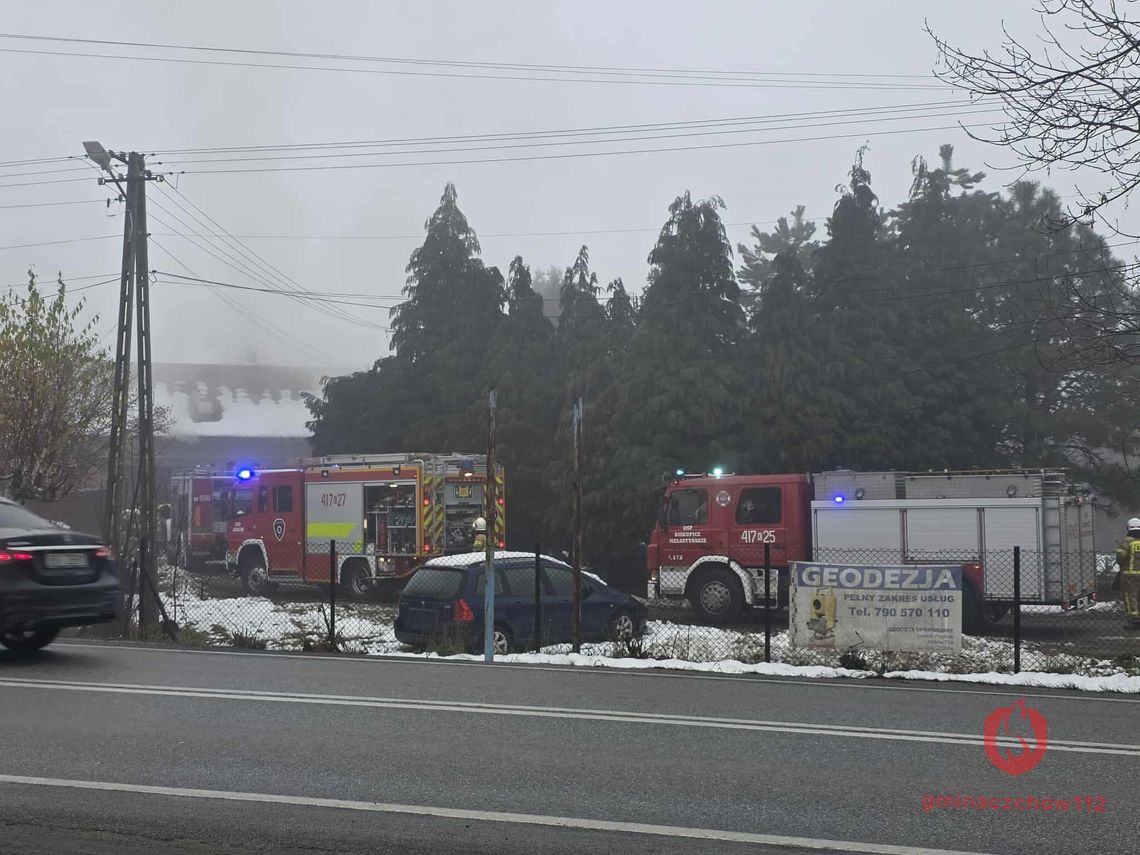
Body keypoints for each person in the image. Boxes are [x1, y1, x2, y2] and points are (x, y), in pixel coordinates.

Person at [1114, 517, 1140, 630]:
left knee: (1130, 597)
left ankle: (1134, 620)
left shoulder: (1127, 541)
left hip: (1130, 575)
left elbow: (1120, 556)